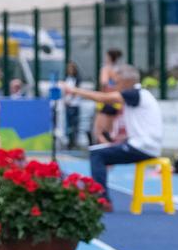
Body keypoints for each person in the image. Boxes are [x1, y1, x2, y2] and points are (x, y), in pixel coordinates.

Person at [64, 64, 162, 205]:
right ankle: (100, 194)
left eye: (115, 82)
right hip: (143, 145)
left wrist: (74, 90)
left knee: (97, 154)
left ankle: (102, 199)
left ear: (127, 81)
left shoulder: (134, 94)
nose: (113, 85)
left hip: (144, 147)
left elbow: (102, 98)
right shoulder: (137, 95)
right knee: (101, 151)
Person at [94, 48, 122, 144]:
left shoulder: (106, 69)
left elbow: (104, 83)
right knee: (111, 131)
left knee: (99, 131)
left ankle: (107, 150)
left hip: (106, 100)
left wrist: (100, 97)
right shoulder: (119, 69)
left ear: (109, 57)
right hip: (116, 101)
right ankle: (110, 149)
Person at [63, 61, 81, 148]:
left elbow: (74, 91)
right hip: (67, 104)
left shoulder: (77, 79)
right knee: (68, 124)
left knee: (74, 124)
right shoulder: (66, 78)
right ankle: (69, 142)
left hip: (74, 104)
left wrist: (69, 100)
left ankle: (74, 142)